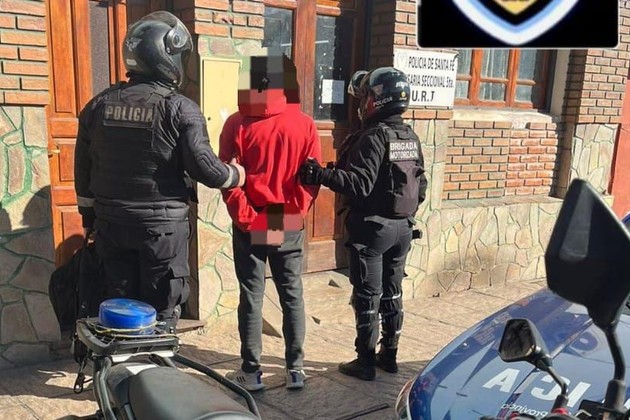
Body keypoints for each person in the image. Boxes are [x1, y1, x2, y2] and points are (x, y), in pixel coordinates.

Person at [74, 11, 245, 334]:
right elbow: (207, 170)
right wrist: (237, 174)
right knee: (161, 313)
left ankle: (122, 363)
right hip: (161, 232)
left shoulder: (98, 105)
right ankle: (155, 361)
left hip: (112, 225)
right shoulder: (179, 108)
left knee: (119, 307)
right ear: (166, 57)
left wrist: (88, 216)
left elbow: (83, 169)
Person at [300, 67, 427, 380]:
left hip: (372, 230)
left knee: (367, 297)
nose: (361, 102)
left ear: (376, 100)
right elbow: (421, 186)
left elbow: (359, 184)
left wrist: (321, 175)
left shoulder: (373, 136)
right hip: (402, 229)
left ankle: (366, 361)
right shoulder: (409, 136)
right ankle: (390, 356)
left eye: (365, 96)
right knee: (393, 293)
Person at [219, 51, 321, 391]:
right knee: (291, 294)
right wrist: (294, 211)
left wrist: (247, 217)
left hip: (250, 217)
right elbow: (310, 179)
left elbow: (228, 179)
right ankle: (295, 370)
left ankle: (251, 372)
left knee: (252, 295)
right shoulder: (304, 124)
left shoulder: (236, 124)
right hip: (285, 217)